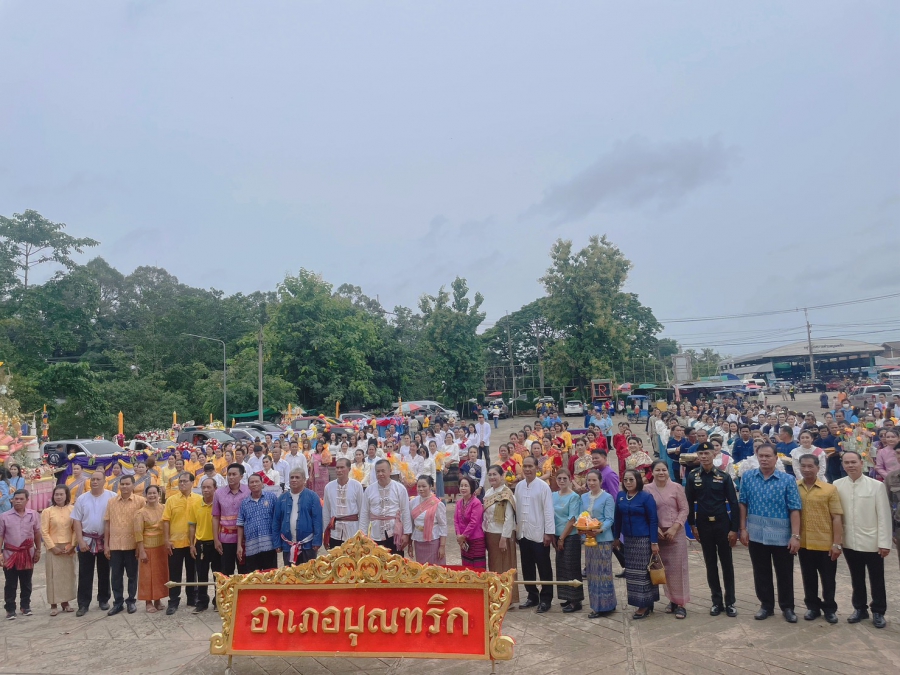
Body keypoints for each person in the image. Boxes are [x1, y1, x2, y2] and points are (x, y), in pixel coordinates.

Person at [739, 444, 802, 623]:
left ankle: (787, 607)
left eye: (768, 456)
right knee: (761, 572)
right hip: (756, 534)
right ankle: (766, 605)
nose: (764, 459)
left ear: (776, 458)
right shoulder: (748, 477)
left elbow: (795, 508)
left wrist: (795, 535)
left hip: (782, 536)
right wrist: (743, 529)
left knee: (785, 573)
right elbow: (742, 503)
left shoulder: (787, 480)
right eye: (761, 456)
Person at [834, 451, 892, 628]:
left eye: (854, 462)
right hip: (850, 541)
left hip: (872, 542)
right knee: (856, 577)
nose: (850, 465)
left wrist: (884, 542)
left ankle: (878, 611)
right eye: (847, 462)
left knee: (876, 578)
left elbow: (883, 515)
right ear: (842, 465)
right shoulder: (837, 485)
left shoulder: (875, 486)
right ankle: (860, 608)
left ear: (862, 463)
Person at [684, 442, 739, 617]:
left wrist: (734, 529)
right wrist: (692, 525)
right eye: (701, 454)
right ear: (697, 456)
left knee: (727, 564)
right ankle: (716, 601)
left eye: (707, 453)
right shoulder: (693, 476)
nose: (704, 457)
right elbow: (689, 503)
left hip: (722, 524)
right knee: (710, 564)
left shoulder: (723, 476)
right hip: (703, 525)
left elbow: (734, 503)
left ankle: (730, 602)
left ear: (714, 455)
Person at [795, 454, 843, 624]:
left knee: (828, 578)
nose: (806, 470)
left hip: (825, 543)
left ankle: (829, 608)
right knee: (808, 577)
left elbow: (837, 517)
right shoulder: (795, 487)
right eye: (803, 466)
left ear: (817, 468)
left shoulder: (829, 489)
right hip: (804, 542)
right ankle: (812, 607)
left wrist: (837, 543)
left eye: (810, 466)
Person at [644, 461, 690, 619]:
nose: (661, 472)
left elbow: (684, 509)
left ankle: (681, 604)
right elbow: (645, 510)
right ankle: (672, 599)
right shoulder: (647, 489)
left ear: (668, 471)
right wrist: (655, 529)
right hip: (656, 534)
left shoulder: (677, 487)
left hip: (675, 533)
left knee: (678, 569)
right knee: (663, 570)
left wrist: (675, 528)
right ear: (652, 472)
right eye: (657, 470)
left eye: (664, 469)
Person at [613, 469, 659, 619]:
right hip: (629, 540)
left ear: (638, 480)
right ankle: (644, 602)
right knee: (632, 573)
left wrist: (654, 542)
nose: (628, 483)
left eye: (631, 480)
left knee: (643, 573)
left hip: (643, 539)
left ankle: (644, 605)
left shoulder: (646, 497)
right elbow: (617, 518)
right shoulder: (620, 496)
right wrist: (616, 537)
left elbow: (653, 520)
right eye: (625, 480)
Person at [514, 455, 556, 613]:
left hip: (539, 533)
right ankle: (532, 595)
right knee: (527, 566)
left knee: (544, 567)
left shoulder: (543, 486)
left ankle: (546, 598)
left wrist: (548, 533)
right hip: (523, 533)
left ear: (537, 468)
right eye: (525, 466)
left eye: (530, 466)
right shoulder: (519, 486)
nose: (527, 469)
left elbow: (548, 511)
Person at [71, 470, 115, 616]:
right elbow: (76, 520)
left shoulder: (112, 497)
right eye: (92, 479)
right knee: (85, 573)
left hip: (105, 540)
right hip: (86, 540)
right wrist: (80, 540)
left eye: (98, 479)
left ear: (104, 481)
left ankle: (103, 599)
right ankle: (83, 604)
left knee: (104, 571)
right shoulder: (82, 499)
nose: (94, 482)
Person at [103, 474, 145, 616]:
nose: (125, 487)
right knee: (115, 575)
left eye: (127, 484)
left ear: (133, 486)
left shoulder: (140, 501)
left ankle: (131, 601)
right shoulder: (111, 502)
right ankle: (118, 602)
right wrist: (106, 544)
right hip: (115, 544)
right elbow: (107, 523)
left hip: (132, 544)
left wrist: (141, 546)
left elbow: (143, 525)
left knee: (132, 575)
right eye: (122, 484)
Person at [0, 489, 41, 620]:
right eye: (15, 499)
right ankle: (10, 609)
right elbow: (1, 536)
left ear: (27, 500)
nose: (18, 501)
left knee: (26, 581)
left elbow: (37, 533)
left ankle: (25, 606)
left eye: (21, 499)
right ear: (12, 500)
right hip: (10, 554)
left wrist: (38, 550)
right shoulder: (4, 516)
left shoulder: (33, 514)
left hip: (28, 553)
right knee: (10, 583)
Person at [163, 472, 200, 614]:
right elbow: (166, 521)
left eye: (185, 481)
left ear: (192, 483)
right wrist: (166, 540)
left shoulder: (199, 499)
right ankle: (173, 601)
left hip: (193, 543)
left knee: (193, 572)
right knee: (174, 573)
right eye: (180, 481)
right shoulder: (171, 500)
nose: (182, 484)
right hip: (175, 543)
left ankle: (192, 598)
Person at [581, 469, 616, 618]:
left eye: (594, 480)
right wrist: (581, 527)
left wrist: (599, 529)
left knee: (604, 573)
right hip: (588, 540)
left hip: (602, 539)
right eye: (589, 480)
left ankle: (607, 604)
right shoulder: (583, 497)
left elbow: (609, 518)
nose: (591, 483)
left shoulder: (607, 497)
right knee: (592, 573)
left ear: (601, 482)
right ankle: (596, 605)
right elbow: (580, 516)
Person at [483, 465, 519, 605]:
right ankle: (496, 596)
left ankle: (507, 599)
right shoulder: (488, 493)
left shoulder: (507, 494)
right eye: (490, 475)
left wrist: (504, 538)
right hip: (490, 534)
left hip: (503, 535)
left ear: (501, 476)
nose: (492, 477)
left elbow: (509, 518)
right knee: (494, 565)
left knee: (505, 566)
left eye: (494, 474)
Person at [274, 468, 323, 566]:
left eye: (297, 477)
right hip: (288, 545)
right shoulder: (281, 499)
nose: (294, 480)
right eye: (291, 477)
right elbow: (276, 521)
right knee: (290, 576)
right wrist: (277, 543)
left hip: (308, 545)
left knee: (308, 576)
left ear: (304, 480)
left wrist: (317, 541)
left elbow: (317, 520)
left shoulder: (312, 497)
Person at [41, 485, 76, 615]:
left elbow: (75, 530)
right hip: (53, 548)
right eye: (56, 494)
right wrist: (52, 547)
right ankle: (53, 604)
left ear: (67, 495)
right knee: (53, 576)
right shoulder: (47, 511)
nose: (59, 497)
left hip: (68, 548)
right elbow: (44, 532)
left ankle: (66, 603)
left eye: (61, 494)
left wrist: (72, 545)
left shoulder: (73, 509)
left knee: (67, 576)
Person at [552, 470, 584, 613]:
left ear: (570, 479)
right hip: (557, 535)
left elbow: (572, 520)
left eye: (565, 478)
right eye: (559, 478)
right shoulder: (553, 495)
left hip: (570, 536)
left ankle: (576, 600)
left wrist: (562, 538)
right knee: (561, 567)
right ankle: (566, 596)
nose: (562, 481)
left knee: (572, 567)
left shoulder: (574, 497)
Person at [212, 464, 251, 576]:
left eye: (234, 474)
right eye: (229, 474)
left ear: (241, 476)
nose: (231, 477)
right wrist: (216, 539)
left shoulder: (248, 492)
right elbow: (215, 517)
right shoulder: (219, 493)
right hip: (225, 540)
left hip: (244, 539)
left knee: (244, 573)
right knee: (226, 572)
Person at [134, 485, 167, 613]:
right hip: (147, 547)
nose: (152, 496)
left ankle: (158, 600)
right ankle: (148, 602)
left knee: (160, 574)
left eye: (155, 493)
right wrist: (141, 550)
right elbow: (138, 533)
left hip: (161, 547)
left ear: (158, 495)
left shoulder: (164, 508)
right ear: (145, 495)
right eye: (150, 493)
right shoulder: (140, 513)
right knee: (147, 576)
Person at [188, 477, 218, 613]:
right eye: (203, 487)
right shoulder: (195, 505)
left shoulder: (219, 504)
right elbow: (192, 526)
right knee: (201, 574)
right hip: (201, 544)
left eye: (209, 487)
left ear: (215, 488)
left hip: (217, 544)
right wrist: (191, 544)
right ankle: (202, 601)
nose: (206, 490)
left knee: (218, 574)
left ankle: (218, 600)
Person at [237, 473, 279, 572]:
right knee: (254, 579)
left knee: (271, 577)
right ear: (248, 486)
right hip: (251, 548)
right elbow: (240, 525)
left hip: (269, 546)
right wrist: (239, 545)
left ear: (262, 483)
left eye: (257, 481)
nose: (254, 484)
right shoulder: (244, 503)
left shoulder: (271, 498)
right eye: (252, 482)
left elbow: (277, 520)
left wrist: (278, 542)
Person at [322, 459, 364, 548]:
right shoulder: (328, 487)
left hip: (353, 530)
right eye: (337, 468)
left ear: (349, 469)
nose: (339, 470)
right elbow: (326, 511)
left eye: (342, 467)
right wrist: (326, 533)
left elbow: (362, 510)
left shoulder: (357, 486)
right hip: (335, 531)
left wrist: (362, 532)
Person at [408, 476, 446, 564]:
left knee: (434, 571)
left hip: (433, 541)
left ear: (430, 486)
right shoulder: (412, 502)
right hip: (418, 541)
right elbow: (411, 524)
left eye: (424, 486)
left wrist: (442, 546)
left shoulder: (438, 504)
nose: (421, 489)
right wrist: (410, 544)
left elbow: (443, 525)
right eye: (419, 486)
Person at [454, 476, 486, 569]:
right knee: (466, 567)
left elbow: (474, 522)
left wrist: (463, 536)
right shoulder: (459, 502)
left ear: (471, 487)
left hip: (476, 540)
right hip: (463, 541)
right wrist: (459, 536)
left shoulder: (476, 503)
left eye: (466, 486)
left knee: (477, 569)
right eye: (461, 486)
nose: (463, 488)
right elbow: (456, 520)